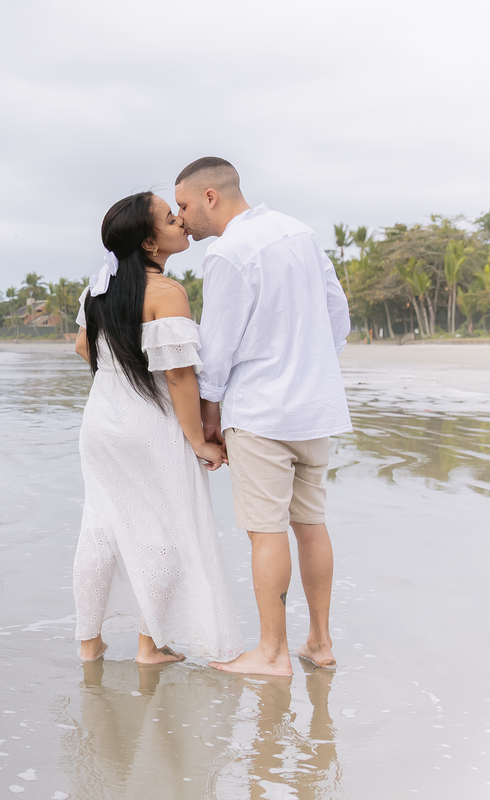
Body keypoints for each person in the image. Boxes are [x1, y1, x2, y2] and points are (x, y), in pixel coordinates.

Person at [174, 157, 351, 677]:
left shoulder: (229, 252)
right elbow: (337, 314)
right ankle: (319, 642)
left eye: (184, 205)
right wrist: (308, 365)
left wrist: (209, 422)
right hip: (314, 408)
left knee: (265, 532)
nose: (181, 218)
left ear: (211, 196)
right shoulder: (300, 232)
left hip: (261, 413)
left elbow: (218, 349)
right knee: (311, 524)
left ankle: (271, 653)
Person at [72, 191, 244, 665]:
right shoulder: (167, 293)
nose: (182, 223)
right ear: (150, 242)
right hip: (149, 423)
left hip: (101, 423)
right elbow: (179, 374)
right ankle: (151, 645)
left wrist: (122, 372)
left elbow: (84, 349)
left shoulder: (98, 288)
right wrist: (198, 439)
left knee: (99, 528)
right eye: (172, 218)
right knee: (162, 530)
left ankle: (89, 644)